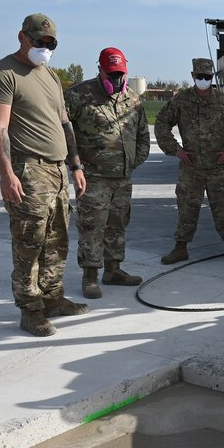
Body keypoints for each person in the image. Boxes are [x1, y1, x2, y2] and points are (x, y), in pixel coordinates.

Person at [0, 13, 89, 337]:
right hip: (28, 169)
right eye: (39, 41)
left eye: (51, 43)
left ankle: (53, 297)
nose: (45, 47)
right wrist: (6, 174)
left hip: (57, 170)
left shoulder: (51, 76)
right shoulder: (3, 74)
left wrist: (75, 165)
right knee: (29, 243)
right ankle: (30, 309)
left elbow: (64, 123)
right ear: (22, 37)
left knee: (57, 240)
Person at [65, 47, 151, 299]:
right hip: (93, 178)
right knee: (92, 226)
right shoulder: (78, 96)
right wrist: (76, 166)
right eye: (111, 73)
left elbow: (143, 136)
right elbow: (62, 133)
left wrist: (132, 161)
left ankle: (113, 270)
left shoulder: (133, 99)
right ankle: (90, 276)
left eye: (121, 73)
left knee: (117, 224)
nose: (116, 79)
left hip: (123, 178)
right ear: (100, 69)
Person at [154, 58, 224, 265]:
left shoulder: (223, 101)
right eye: (199, 77)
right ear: (193, 76)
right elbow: (162, 123)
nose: (203, 80)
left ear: (212, 77)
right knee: (186, 210)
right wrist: (176, 150)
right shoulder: (181, 101)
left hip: (218, 169)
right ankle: (180, 248)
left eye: (207, 77)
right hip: (191, 169)